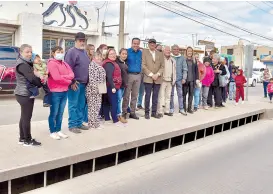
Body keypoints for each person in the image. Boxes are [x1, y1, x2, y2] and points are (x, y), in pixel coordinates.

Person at [15, 44, 43, 146]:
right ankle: (28, 140)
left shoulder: (25, 63)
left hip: (22, 93)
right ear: (21, 52)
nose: (29, 54)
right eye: (27, 52)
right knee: (27, 117)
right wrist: (41, 82)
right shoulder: (22, 65)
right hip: (25, 94)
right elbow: (32, 78)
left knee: (23, 117)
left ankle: (22, 138)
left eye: (31, 52)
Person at [64, 32, 90, 133]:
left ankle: (79, 123)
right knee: (73, 105)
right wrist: (72, 82)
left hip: (83, 83)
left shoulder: (84, 52)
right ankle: (72, 125)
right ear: (75, 41)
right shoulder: (71, 52)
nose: (82, 42)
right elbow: (67, 68)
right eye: (80, 40)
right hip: (75, 83)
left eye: (83, 40)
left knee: (81, 105)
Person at [47, 46, 74, 140]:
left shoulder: (65, 63)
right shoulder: (51, 63)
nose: (60, 53)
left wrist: (64, 76)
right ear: (53, 53)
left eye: (62, 52)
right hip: (55, 92)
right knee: (54, 112)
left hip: (64, 91)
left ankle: (58, 130)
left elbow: (72, 75)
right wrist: (69, 81)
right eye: (58, 51)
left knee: (61, 112)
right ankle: (52, 131)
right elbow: (56, 78)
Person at [142, 39, 165, 119]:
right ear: (148, 44)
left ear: (155, 44)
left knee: (155, 96)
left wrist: (158, 74)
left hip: (158, 78)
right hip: (148, 78)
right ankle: (147, 113)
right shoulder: (144, 52)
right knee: (147, 96)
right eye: (151, 43)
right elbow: (143, 65)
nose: (152, 44)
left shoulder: (160, 54)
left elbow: (162, 66)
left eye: (154, 43)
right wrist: (152, 75)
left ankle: (154, 113)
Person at [102, 49, 123, 125]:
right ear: (107, 55)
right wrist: (113, 87)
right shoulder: (109, 64)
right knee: (114, 103)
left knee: (106, 102)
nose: (113, 55)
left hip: (108, 86)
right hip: (111, 87)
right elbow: (109, 76)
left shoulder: (111, 63)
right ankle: (115, 119)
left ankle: (107, 118)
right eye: (111, 54)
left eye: (114, 53)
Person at [122, 38, 142, 119]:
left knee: (135, 95)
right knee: (126, 95)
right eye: (134, 43)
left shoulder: (140, 53)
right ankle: (124, 112)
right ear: (132, 43)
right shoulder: (127, 52)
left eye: (137, 43)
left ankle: (132, 112)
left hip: (138, 75)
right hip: (129, 75)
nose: (136, 45)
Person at [86, 51, 106, 129]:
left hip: (99, 89)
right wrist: (95, 90)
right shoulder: (92, 65)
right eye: (97, 56)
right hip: (93, 90)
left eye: (100, 56)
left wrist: (101, 90)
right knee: (92, 108)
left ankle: (96, 123)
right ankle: (92, 124)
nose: (99, 58)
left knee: (97, 107)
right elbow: (92, 79)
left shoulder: (99, 65)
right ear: (93, 57)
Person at [157, 46, 176, 117]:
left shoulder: (173, 60)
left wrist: (174, 80)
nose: (168, 51)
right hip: (162, 80)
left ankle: (167, 111)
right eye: (166, 50)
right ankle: (160, 111)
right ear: (163, 51)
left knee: (168, 97)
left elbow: (174, 71)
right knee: (161, 96)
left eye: (169, 50)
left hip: (170, 81)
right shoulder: (161, 59)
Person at [170, 44, 188, 115]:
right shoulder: (170, 57)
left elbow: (185, 69)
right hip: (171, 79)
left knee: (180, 94)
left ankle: (181, 108)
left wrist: (184, 78)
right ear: (172, 50)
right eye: (174, 49)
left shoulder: (182, 58)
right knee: (171, 94)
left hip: (179, 79)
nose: (176, 50)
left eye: (177, 49)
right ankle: (171, 108)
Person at [183, 47, 199, 115]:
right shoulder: (183, 59)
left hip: (192, 81)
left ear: (192, 52)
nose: (189, 52)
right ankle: (183, 108)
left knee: (191, 95)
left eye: (191, 51)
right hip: (185, 80)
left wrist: (197, 79)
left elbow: (196, 71)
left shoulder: (194, 60)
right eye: (188, 51)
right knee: (184, 95)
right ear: (186, 52)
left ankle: (189, 108)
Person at [116, 48, 129, 123]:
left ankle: (118, 114)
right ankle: (119, 115)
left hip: (124, 85)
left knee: (120, 100)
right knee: (118, 100)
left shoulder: (125, 62)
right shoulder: (117, 62)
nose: (124, 55)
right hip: (119, 85)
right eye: (123, 54)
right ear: (120, 54)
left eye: (125, 54)